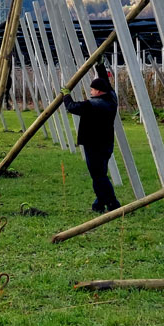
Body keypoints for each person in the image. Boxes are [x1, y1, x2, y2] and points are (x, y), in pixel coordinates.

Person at [61, 61, 121, 213]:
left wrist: (66, 95)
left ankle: (113, 204)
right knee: (100, 173)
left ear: (99, 92)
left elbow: (72, 107)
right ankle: (99, 204)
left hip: (93, 145)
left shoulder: (93, 105)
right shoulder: (111, 98)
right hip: (106, 144)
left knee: (98, 176)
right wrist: (100, 67)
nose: (91, 92)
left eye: (93, 89)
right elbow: (106, 82)